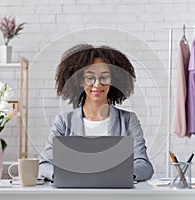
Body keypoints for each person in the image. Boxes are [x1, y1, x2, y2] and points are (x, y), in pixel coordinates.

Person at [39, 44, 154, 182]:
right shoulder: (63, 122)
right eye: (90, 78)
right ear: (80, 81)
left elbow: (144, 165)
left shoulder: (128, 120)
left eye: (104, 77)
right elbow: (44, 164)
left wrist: (121, 175)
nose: (97, 84)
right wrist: (64, 176)